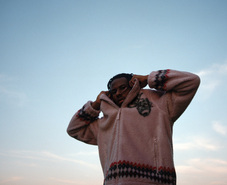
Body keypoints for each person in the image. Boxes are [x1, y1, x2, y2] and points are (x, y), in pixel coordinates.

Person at [67, 69, 200, 185]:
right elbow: (74, 129)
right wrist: (95, 105)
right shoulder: (104, 123)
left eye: (123, 87)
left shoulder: (159, 104)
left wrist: (148, 78)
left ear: (133, 85)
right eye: (113, 91)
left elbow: (191, 81)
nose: (118, 93)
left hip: (156, 181)